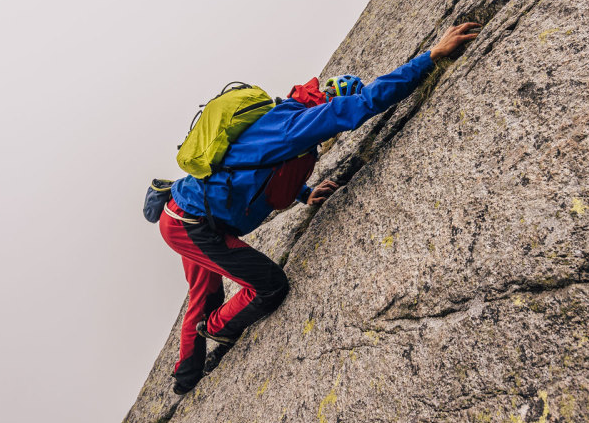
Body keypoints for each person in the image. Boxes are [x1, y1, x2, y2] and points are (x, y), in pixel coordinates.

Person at [159, 22, 480, 394]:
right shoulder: (296, 123)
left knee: (204, 293)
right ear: (330, 100)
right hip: (191, 222)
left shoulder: (287, 118)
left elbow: (265, 168)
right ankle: (216, 329)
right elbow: (365, 104)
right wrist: (430, 56)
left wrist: (305, 193)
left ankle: (185, 380)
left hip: (194, 213)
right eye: (336, 103)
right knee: (269, 286)